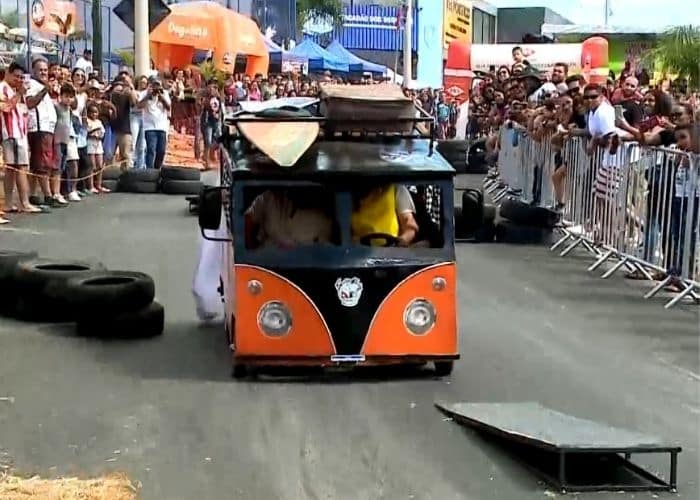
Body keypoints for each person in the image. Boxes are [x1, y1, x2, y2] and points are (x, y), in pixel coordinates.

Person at [0, 62, 39, 221]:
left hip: (20, 133)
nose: (19, 80)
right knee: (20, 167)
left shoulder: (18, 90)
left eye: (21, 77)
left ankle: (10, 203)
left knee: (13, 168)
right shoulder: (3, 88)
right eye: (16, 76)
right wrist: (18, 94)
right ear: (8, 74)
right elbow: (6, 108)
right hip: (10, 133)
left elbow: (25, 110)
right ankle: (24, 202)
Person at [244, 189, 334, 249]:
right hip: (265, 264)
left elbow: (324, 253)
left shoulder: (322, 219)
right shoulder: (268, 197)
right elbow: (247, 221)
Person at [351, 184, 419, 247]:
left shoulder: (396, 188)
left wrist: (403, 240)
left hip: (392, 251)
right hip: (358, 253)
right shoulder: (347, 194)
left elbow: (409, 223)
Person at [54, 83, 81, 202]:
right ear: (61, 96)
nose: (68, 99)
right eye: (66, 96)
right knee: (58, 167)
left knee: (68, 164)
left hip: (67, 139)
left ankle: (71, 190)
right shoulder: (56, 107)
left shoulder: (70, 110)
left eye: (71, 97)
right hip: (57, 140)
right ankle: (57, 192)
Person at [138, 76, 171, 169]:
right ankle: (149, 170)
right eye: (154, 85)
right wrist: (148, 96)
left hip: (162, 126)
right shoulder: (144, 93)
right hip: (149, 127)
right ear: (150, 85)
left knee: (161, 151)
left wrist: (161, 97)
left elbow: (168, 107)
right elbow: (139, 105)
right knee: (151, 149)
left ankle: (157, 169)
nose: (156, 88)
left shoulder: (164, 93)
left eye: (158, 85)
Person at [109, 74, 138, 171]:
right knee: (109, 155)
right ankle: (109, 177)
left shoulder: (128, 94)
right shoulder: (109, 94)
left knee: (126, 156)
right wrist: (111, 90)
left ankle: (126, 179)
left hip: (124, 129)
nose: (120, 87)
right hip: (110, 129)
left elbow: (134, 103)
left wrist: (131, 87)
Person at [86, 103, 109, 193]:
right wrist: (94, 131)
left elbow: (102, 133)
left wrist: (99, 135)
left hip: (98, 143)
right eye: (92, 112)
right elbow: (87, 133)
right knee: (92, 166)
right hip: (90, 143)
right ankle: (91, 186)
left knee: (100, 165)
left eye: (96, 112)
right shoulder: (87, 121)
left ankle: (98, 185)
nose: (94, 114)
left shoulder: (99, 122)